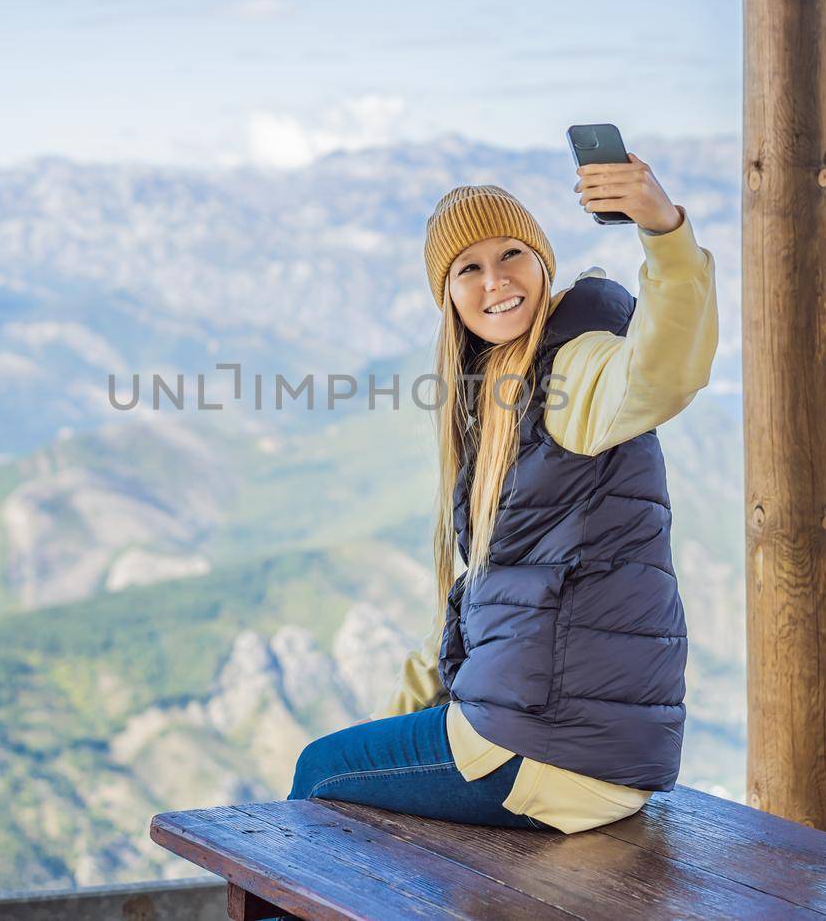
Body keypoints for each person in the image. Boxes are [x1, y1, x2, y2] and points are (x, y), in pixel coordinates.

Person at [286, 153, 718, 834]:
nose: (496, 281)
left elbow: (661, 372)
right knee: (373, 792)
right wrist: (409, 721)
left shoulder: (576, 363)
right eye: (469, 268)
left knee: (321, 775)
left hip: (548, 748)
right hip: (580, 744)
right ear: (449, 294)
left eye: (512, 253)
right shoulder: (495, 399)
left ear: (543, 261)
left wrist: (662, 227)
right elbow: (482, 595)